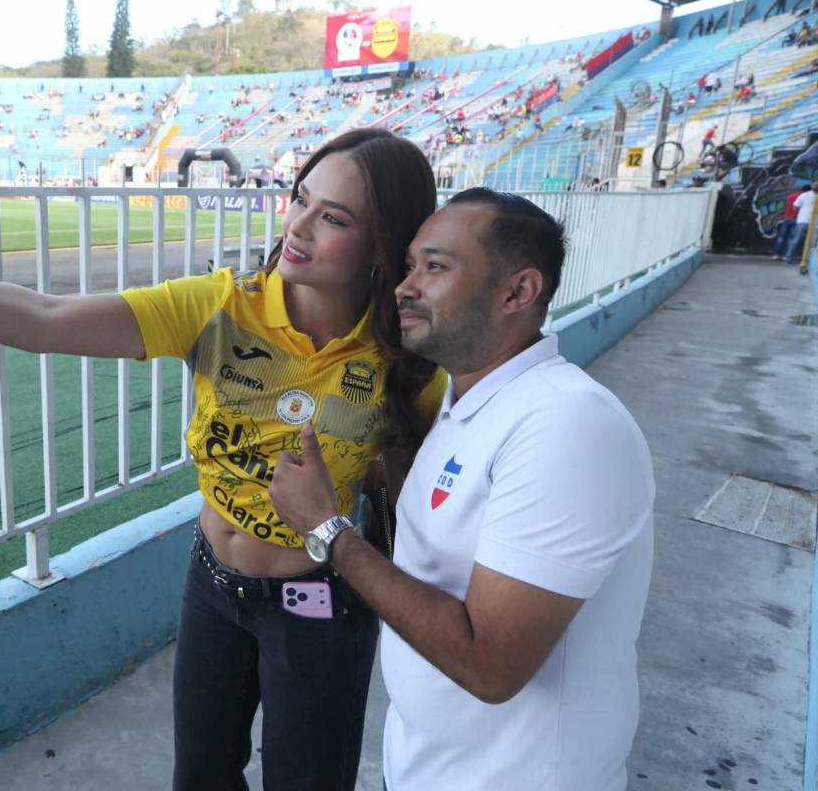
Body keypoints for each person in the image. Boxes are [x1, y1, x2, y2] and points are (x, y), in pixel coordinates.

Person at [0, 129, 447, 791]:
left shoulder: (407, 366)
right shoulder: (221, 306)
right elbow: (41, 319)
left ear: (385, 246)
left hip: (318, 606)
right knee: (200, 775)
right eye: (300, 199)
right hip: (213, 588)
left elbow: (421, 514)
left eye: (334, 218)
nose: (297, 226)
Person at [268, 188, 655, 791]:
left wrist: (327, 529)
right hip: (434, 767)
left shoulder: (567, 425)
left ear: (518, 292)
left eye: (436, 267)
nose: (404, 287)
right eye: (410, 265)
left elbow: (489, 663)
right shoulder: (469, 402)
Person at [785, 180, 818, 264]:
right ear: (812, 186)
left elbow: (795, 207)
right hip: (803, 221)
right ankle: (789, 258)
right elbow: (795, 207)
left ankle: (808, 260)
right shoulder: (804, 195)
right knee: (796, 239)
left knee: (813, 242)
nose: (816, 186)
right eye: (815, 185)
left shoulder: (804, 195)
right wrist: (804, 212)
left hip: (815, 223)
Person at [774, 185, 803, 261]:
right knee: (791, 238)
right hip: (796, 219)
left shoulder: (790, 196)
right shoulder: (802, 197)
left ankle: (776, 254)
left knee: (781, 237)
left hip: (787, 218)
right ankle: (786, 255)